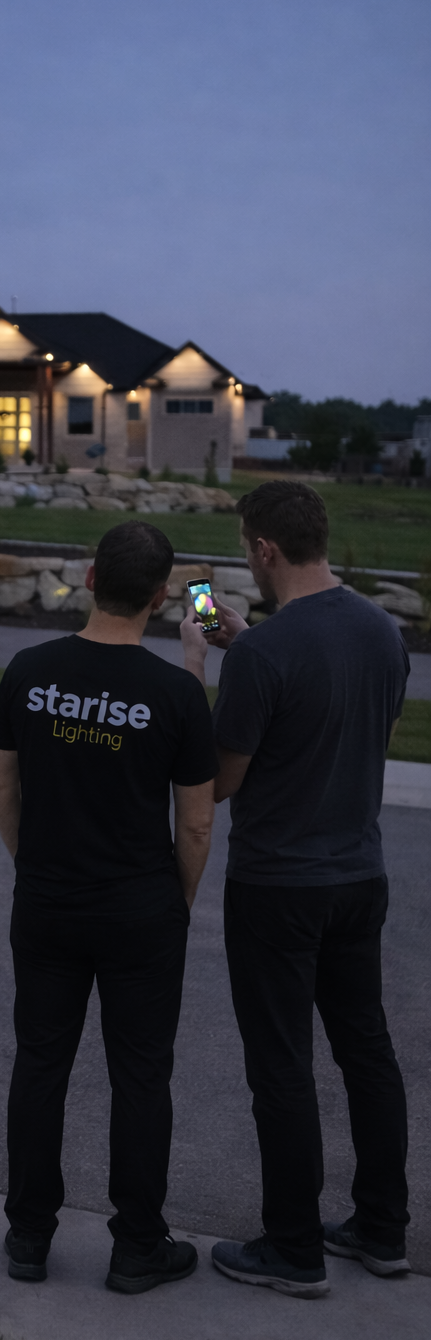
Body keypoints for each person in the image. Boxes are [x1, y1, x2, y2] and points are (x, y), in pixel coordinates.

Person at [180, 480, 410, 1298]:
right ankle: (383, 1228)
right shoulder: (382, 633)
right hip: (359, 875)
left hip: (279, 885)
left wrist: (202, 662)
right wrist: (248, 643)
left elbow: (218, 781)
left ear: (265, 549)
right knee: (367, 1052)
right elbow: (343, 725)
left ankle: (293, 1248)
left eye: (247, 546)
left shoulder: (265, 657)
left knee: (281, 1066)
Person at [0, 520, 216, 1293]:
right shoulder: (176, 696)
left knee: (41, 1063)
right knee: (141, 1076)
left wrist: (32, 864)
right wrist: (177, 900)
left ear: (89, 579)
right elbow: (196, 823)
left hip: (48, 901)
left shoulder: (29, 671)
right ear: (161, 597)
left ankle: (28, 1235)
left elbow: (1, 783)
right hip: (139, 910)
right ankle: (137, 1245)